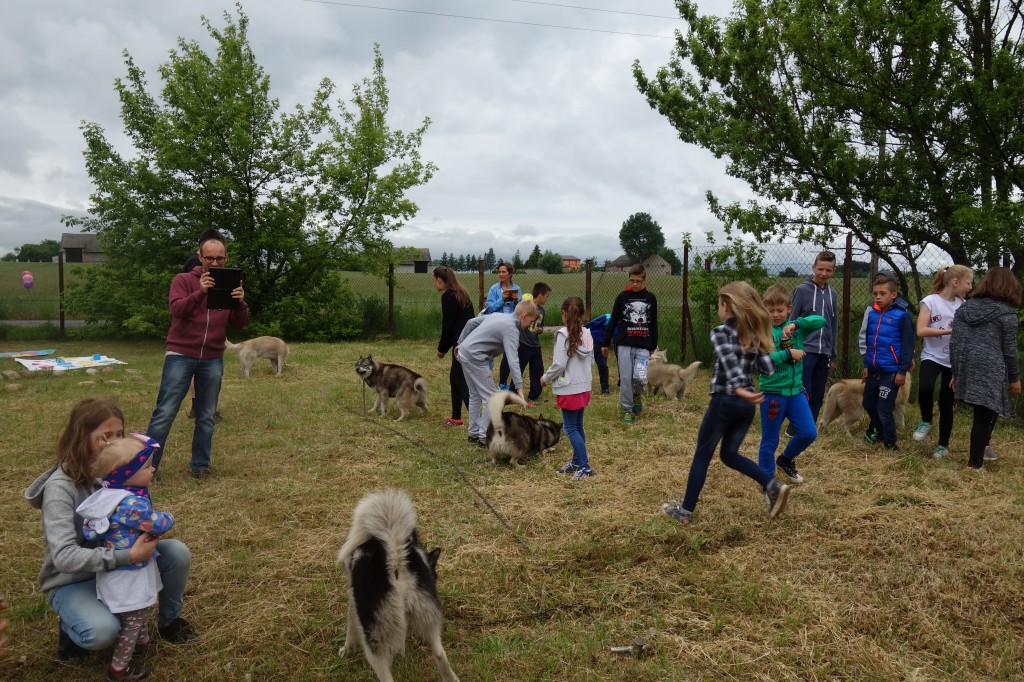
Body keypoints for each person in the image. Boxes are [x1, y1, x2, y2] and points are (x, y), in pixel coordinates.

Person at [23, 398, 196, 667]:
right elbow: (64, 557)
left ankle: (170, 620)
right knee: (102, 632)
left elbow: (136, 516)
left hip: (114, 569)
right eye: (106, 436)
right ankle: (71, 627)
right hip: (73, 578)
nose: (115, 442)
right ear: (82, 437)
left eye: (119, 434)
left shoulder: (117, 470)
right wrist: (127, 555)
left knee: (176, 553)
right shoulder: (60, 490)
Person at [662, 282, 790, 525]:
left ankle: (685, 512)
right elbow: (769, 368)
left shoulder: (720, 331)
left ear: (725, 306)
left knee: (702, 455)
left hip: (726, 401)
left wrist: (739, 388)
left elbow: (728, 361)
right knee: (729, 454)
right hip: (746, 407)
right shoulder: (753, 334)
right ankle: (771, 485)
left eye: (720, 306)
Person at [146, 230, 248, 476]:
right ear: (199, 256)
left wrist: (240, 302)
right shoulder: (183, 280)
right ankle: (146, 467)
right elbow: (177, 310)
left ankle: (200, 466)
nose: (214, 263)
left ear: (226, 257)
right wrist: (200, 292)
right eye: (209, 258)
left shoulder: (231, 283)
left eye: (220, 259)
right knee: (165, 412)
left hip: (212, 357)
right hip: (181, 354)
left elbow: (241, 323)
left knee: (206, 415)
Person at [75, 434, 173, 681]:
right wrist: (168, 517)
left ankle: (142, 639)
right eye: (148, 466)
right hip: (128, 572)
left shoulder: (111, 494)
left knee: (136, 611)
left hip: (117, 569)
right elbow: (155, 524)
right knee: (133, 616)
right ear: (126, 473)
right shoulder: (131, 504)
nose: (154, 469)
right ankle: (120, 668)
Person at [950, 266, 1021, 471]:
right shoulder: (1007, 315)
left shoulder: (964, 308)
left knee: (987, 411)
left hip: (968, 364)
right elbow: (1010, 351)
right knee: (984, 414)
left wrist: (956, 371)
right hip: (991, 367)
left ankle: (983, 450)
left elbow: (955, 342)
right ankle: (975, 464)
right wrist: (1014, 378)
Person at [757, 284, 825, 483]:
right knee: (770, 441)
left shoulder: (795, 329)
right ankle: (768, 482)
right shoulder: (763, 332)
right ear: (764, 310)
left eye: (780, 310)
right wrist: (788, 353)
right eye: (771, 311)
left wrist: (796, 324)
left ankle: (786, 459)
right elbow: (763, 360)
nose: (776, 315)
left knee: (808, 433)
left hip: (796, 393)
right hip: (772, 394)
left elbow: (820, 320)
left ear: (789, 308)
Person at [456, 299, 539, 447]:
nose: (529, 326)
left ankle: (473, 433)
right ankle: (483, 437)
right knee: (491, 397)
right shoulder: (511, 329)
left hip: (464, 353)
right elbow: (513, 360)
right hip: (476, 358)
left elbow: (471, 322)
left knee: (475, 394)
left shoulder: (500, 315)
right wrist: (519, 387)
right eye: (531, 321)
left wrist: (460, 343)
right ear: (524, 316)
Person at [914, 265, 974, 459]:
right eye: (968, 282)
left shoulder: (963, 305)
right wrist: (949, 331)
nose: (970, 287)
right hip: (931, 356)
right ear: (955, 283)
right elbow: (921, 330)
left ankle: (943, 445)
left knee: (946, 403)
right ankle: (926, 420)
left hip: (952, 361)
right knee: (925, 388)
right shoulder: (930, 301)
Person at [541, 297, 596, 480]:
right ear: (581, 314)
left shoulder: (562, 335)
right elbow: (591, 361)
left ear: (564, 313)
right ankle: (576, 462)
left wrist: (545, 379)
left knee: (570, 428)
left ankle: (585, 467)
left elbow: (558, 365)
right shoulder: (587, 334)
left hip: (569, 388)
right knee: (577, 426)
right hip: (584, 386)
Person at [858, 273, 914, 450]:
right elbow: (869, 342)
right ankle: (880, 430)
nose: (878, 297)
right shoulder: (872, 314)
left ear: (893, 295)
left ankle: (890, 443)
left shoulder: (901, 316)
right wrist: (866, 365)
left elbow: (907, 344)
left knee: (884, 408)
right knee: (868, 403)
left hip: (891, 372)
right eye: (875, 294)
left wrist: (902, 371)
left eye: (883, 293)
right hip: (874, 369)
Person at [602, 264, 658, 425]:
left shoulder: (650, 298)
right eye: (632, 280)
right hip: (624, 345)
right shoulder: (622, 297)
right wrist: (605, 342)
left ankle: (636, 395)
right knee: (626, 379)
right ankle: (627, 410)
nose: (634, 284)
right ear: (629, 279)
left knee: (640, 377)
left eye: (638, 281)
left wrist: (652, 346)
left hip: (643, 345)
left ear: (644, 280)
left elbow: (653, 323)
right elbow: (613, 321)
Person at [788, 250, 839, 428]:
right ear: (813, 267)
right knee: (803, 390)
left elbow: (833, 324)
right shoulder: (802, 290)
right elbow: (792, 321)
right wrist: (790, 349)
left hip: (824, 351)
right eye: (820, 269)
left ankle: (809, 428)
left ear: (833, 270)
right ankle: (794, 428)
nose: (824, 274)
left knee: (818, 393)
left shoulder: (833, 293)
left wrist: (833, 354)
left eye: (828, 270)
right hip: (805, 350)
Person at [184, 229, 227, 423]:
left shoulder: (204, 262)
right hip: (195, 323)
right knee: (199, 368)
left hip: (212, 323)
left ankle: (201, 406)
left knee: (205, 369)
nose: (215, 262)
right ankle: (202, 406)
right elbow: (186, 294)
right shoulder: (195, 265)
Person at [433, 266, 474, 427]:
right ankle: (456, 417)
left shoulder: (448, 296)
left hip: (460, 345)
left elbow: (448, 326)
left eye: (433, 280)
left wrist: (442, 348)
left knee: (460, 380)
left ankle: (480, 423)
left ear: (439, 279)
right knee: (454, 378)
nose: (433, 284)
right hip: (468, 341)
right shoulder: (462, 293)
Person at [500, 282, 552, 401]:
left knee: (537, 370)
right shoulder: (525, 307)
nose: (547, 299)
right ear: (540, 295)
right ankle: (513, 394)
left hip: (535, 345)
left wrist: (540, 330)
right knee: (518, 368)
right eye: (547, 296)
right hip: (523, 344)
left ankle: (534, 395)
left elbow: (541, 326)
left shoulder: (542, 311)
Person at [584, 312, 612, 394]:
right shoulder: (606, 318)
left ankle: (605, 388)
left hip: (604, 345)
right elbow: (591, 324)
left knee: (603, 366)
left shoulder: (623, 324)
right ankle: (583, 387)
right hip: (591, 342)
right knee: (586, 365)